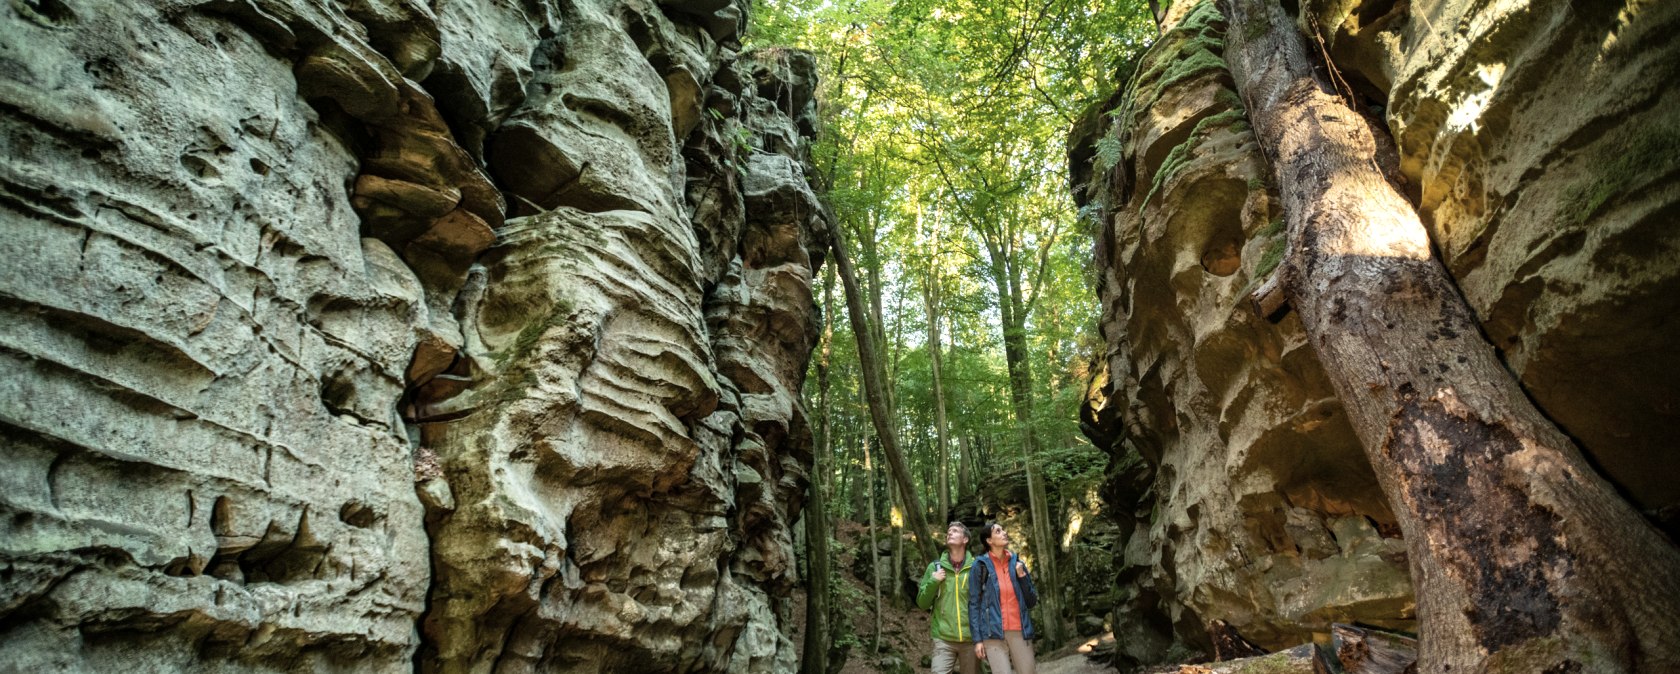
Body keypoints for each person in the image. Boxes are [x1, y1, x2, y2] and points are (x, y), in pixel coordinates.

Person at [967, 522, 1038, 674]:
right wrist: (977, 640)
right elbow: (974, 604)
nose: (1004, 533)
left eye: (1003, 530)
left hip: (1019, 630)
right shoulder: (980, 566)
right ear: (989, 540)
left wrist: (1022, 576)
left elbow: (1031, 601)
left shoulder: (1017, 563)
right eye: (998, 531)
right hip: (992, 633)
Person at [916, 521, 979, 674]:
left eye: (955, 531)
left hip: (971, 639)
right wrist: (934, 581)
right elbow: (922, 603)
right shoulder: (935, 567)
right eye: (949, 531)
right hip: (943, 638)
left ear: (965, 539)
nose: (950, 533)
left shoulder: (976, 567)